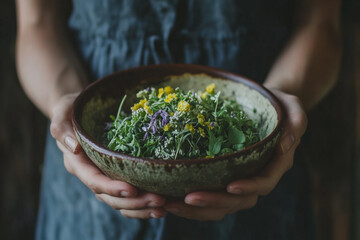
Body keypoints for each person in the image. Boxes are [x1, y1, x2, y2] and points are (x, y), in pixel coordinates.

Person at [15, 0, 342, 239]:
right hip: (89, 195)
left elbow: (320, 23)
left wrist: (277, 103)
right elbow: (36, 25)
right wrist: (69, 107)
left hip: (257, 180)